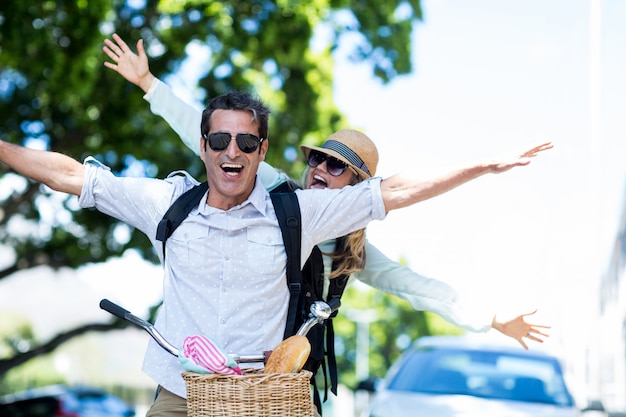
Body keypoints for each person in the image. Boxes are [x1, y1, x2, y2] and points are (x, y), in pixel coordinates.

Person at [103, 32, 552, 348]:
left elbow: (416, 287)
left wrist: (490, 317)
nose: (319, 168)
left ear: (357, 187)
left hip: (291, 385)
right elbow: (208, 136)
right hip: (226, 367)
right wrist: (148, 83)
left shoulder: (350, 251)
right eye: (316, 158)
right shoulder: (279, 191)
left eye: (336, 166)